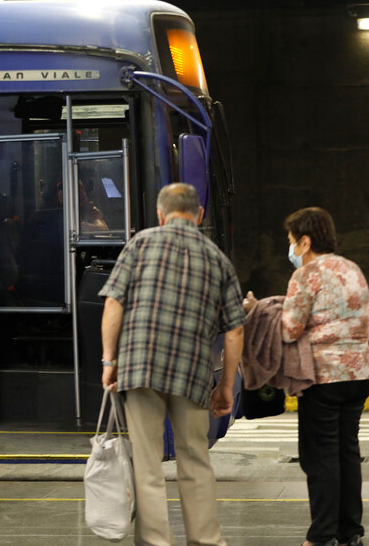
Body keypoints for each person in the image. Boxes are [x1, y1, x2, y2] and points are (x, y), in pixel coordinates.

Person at [98, 182, 245, 546]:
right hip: (192, 373)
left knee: (147, 463)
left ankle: (155, 542)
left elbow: (113, 305)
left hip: (140, 366)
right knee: (194, 460)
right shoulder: (217, 258)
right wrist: (225, 385)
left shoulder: (139, 244)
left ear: (161, 215)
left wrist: (109, 360)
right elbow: (235, 331)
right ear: (200, 215)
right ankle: (206, 541)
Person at [244, 207, 369, 546]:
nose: (290, 249)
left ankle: (321, 536)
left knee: (320, 456)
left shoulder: (307, 274)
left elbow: (289, 329)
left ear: (305, 241)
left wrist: (257, 310)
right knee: (347, 453)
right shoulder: (352, 268)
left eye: (291, 242)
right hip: (360, 373)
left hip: (323, 376)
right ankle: (351, 531)